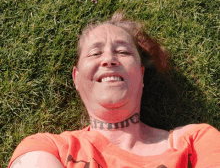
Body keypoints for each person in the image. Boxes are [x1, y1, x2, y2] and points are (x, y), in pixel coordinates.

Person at [8, 12, 220, 168]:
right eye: (94, 54)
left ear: (141, 74)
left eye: (123, 51)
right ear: (77, 78)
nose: (109, 59)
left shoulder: (195, 142)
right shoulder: (47, 147)